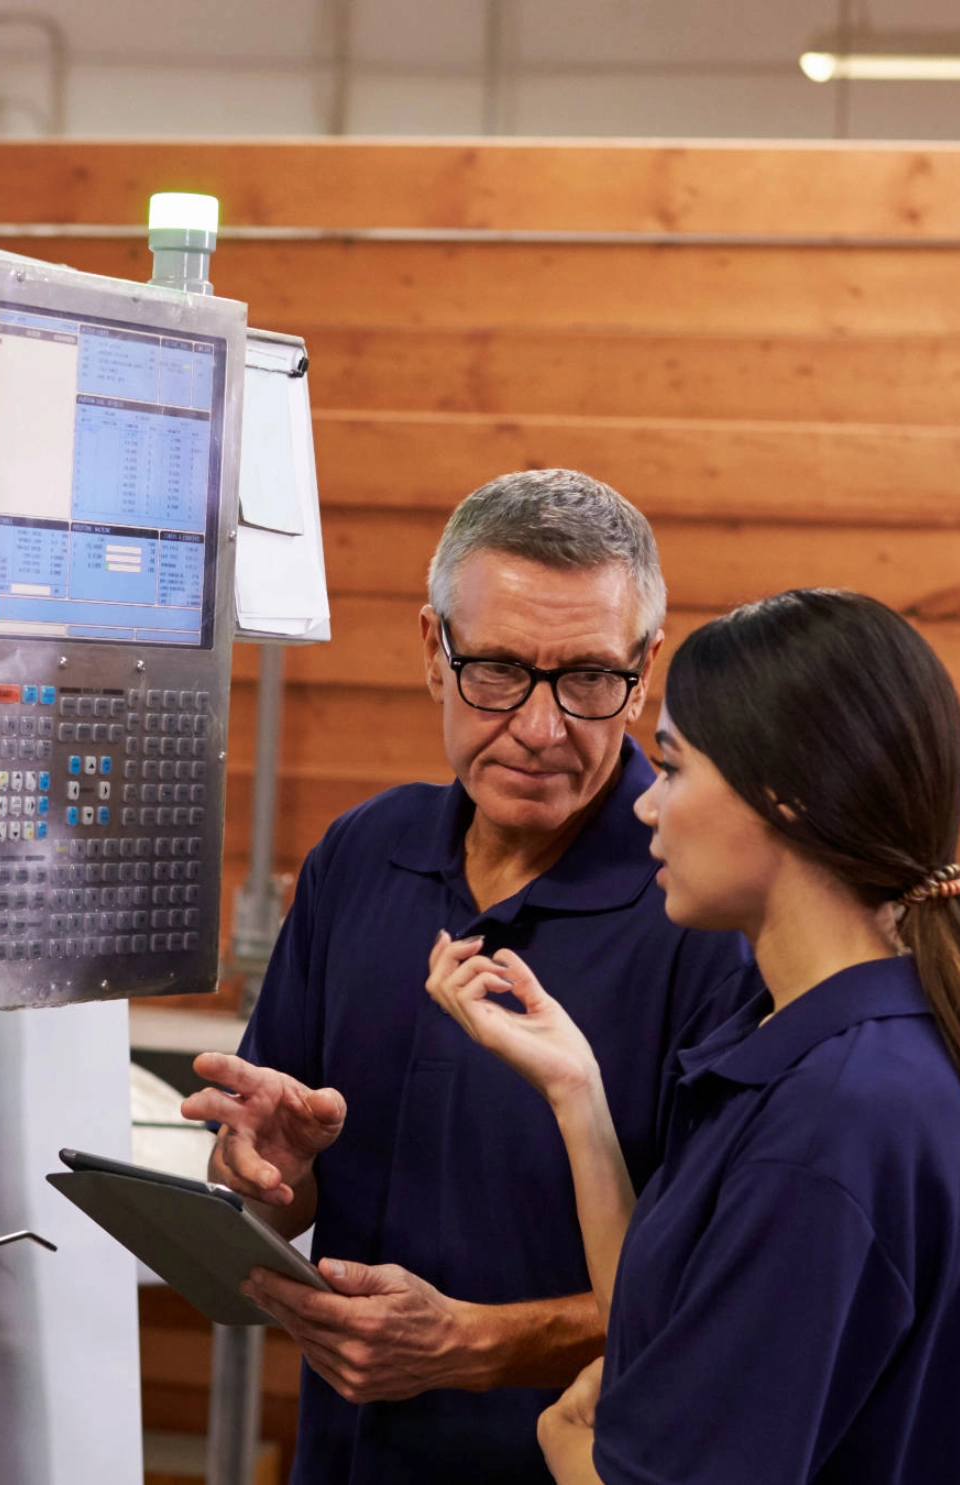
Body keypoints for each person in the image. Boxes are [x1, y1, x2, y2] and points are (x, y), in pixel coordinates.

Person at [179, 470, 753, 1484]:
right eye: (495, 670)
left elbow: (728, 1298)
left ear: (646, 668)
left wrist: (475, 1346)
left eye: (587, 680)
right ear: (432, 654)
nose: (538, 729)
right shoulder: (362, 857)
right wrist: (264, 1173)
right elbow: (275, 1204)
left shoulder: (705, 912)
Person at [424, 587, 960, 1485]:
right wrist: (578, 1094)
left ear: (784, 797)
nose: (646, 806)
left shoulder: (837, 1116)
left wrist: (574, 1454)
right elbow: (670, 1324)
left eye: (671, 768)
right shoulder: (810, 1035)